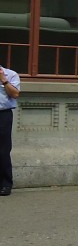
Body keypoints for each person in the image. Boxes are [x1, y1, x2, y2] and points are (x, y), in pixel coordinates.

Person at [0, 64, 20, 196]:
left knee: (3, 150)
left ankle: (6, 184)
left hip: (3, 115)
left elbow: (15, 94)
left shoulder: (11, 74)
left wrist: (4, 80)